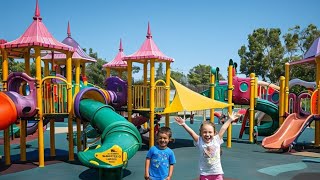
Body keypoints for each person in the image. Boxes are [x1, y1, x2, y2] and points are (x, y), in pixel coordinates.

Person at [174, 112, 239, 180]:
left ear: (214, 133)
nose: (207, 134)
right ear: (201, 133)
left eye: (210, 132)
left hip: (217, 173)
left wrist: (230, 119)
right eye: (204, 132)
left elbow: (223, 128)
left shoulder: (216, 139)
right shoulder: (200, 141)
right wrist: (184, 124)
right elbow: (192, 133)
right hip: (204, 173)